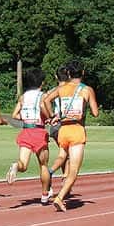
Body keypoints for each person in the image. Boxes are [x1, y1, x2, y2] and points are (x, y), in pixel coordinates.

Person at [41, 60, 98, 212]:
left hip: (63, 131)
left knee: (62, 155)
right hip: (77, 130)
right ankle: (59, 197)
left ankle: (51, 172)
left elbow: (46, 100)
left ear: (68, 73)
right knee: (73, 172)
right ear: (83, 73)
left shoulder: (62, 88)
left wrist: (52, 115)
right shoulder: (86, 90)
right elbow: (95, 113)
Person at [6, 67, 53, 205]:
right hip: (39, 131)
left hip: (26, 131)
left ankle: (16, 165)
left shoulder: (23, 97)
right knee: (43, 165)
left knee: (23, 164)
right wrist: (48, 117)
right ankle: (44, 195)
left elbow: (14, 115)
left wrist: (26, 117)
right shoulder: (43, 96)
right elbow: (45, 109)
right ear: (42, 83)